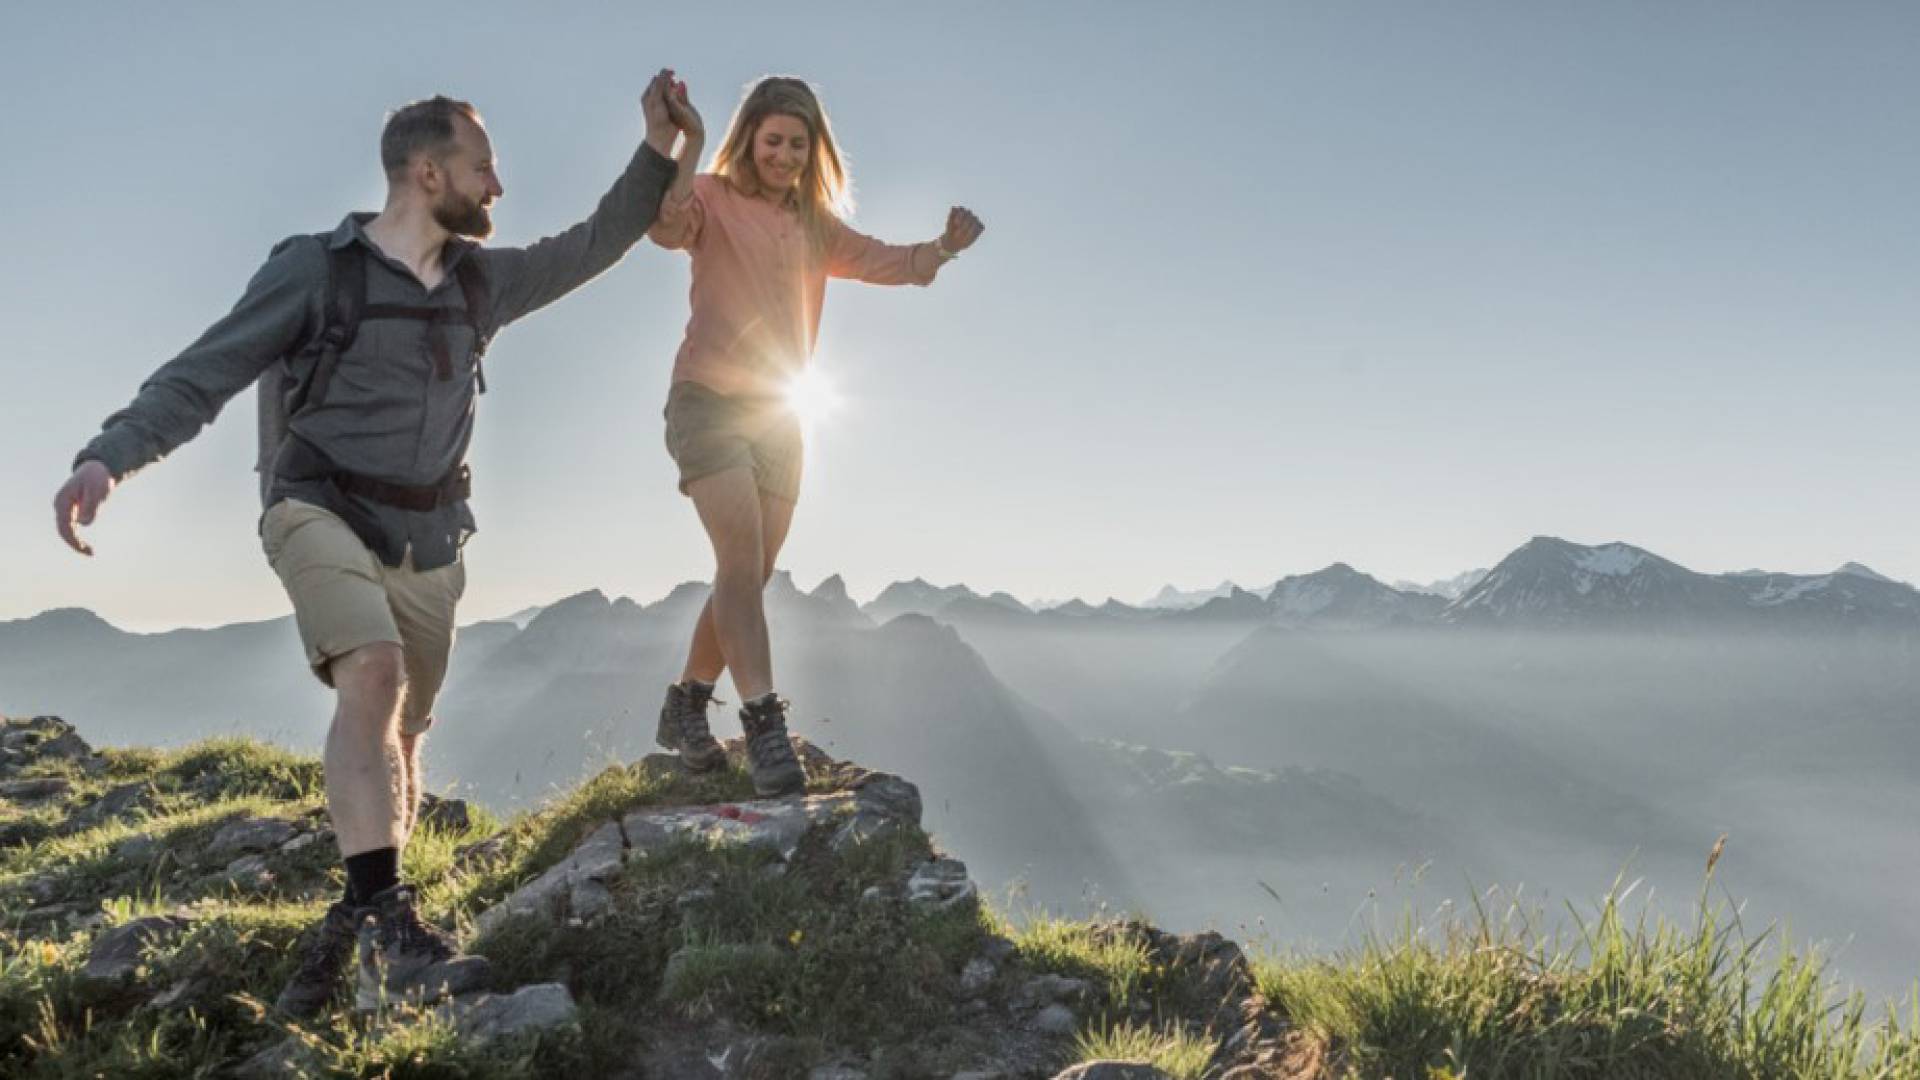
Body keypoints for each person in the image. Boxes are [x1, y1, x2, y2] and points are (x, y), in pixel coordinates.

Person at [50, 72, 694, 1018]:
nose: (498, 189)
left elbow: (596, 242)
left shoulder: (484, 283)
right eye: (486, 169)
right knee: (375, 672)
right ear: (429, 173)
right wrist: (110, 457)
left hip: (431, 534)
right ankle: (390, 922)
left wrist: (660, 149)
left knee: (405, 728)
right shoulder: (317, 270)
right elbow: (208, 368)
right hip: (315, 506)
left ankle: (357, 921)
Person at [646, 76, 985, 795]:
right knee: (739, 562)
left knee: (754, 572)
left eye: (799, 144)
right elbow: (665, 226)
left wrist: (944, 249)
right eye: (774, 141)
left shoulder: (814, 224)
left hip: (780, 411)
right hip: (705, 400)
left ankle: (683, 707)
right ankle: (764, 727)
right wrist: (690, 145)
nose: (786, 155)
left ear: (814, 149)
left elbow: (885, 262)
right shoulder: (710, 195)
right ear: (750, 139)